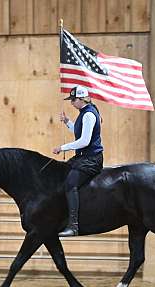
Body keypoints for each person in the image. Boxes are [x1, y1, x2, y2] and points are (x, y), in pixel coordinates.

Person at [53, 85, 104, 237]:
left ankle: (74, 225)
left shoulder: (89, 115)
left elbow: (84, 141)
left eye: (73, 100)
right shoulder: (84, 112)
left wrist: (63, 147)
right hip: (83, 157)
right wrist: (67, 122)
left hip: (91, 160)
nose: (71, 103)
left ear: (81, 99)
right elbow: (78, 130)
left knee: (70, 184)